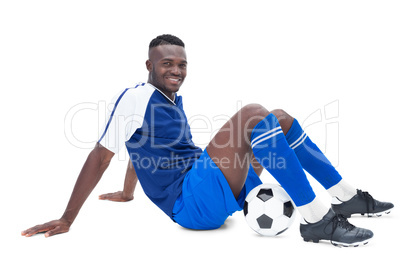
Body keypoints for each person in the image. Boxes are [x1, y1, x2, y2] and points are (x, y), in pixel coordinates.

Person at [22, 34, 394, 246]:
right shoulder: (136, 97)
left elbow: (139, 149)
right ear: (148, 65)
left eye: (181, 64)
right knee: (252, 112)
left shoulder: (169, 101)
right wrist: (67, 217)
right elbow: (102, 155)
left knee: (278, 118)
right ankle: (317, 220)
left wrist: (128, 193)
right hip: (191, 202)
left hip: (205, 184)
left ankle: (345, 197)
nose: (176, 70)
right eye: (166, 63)